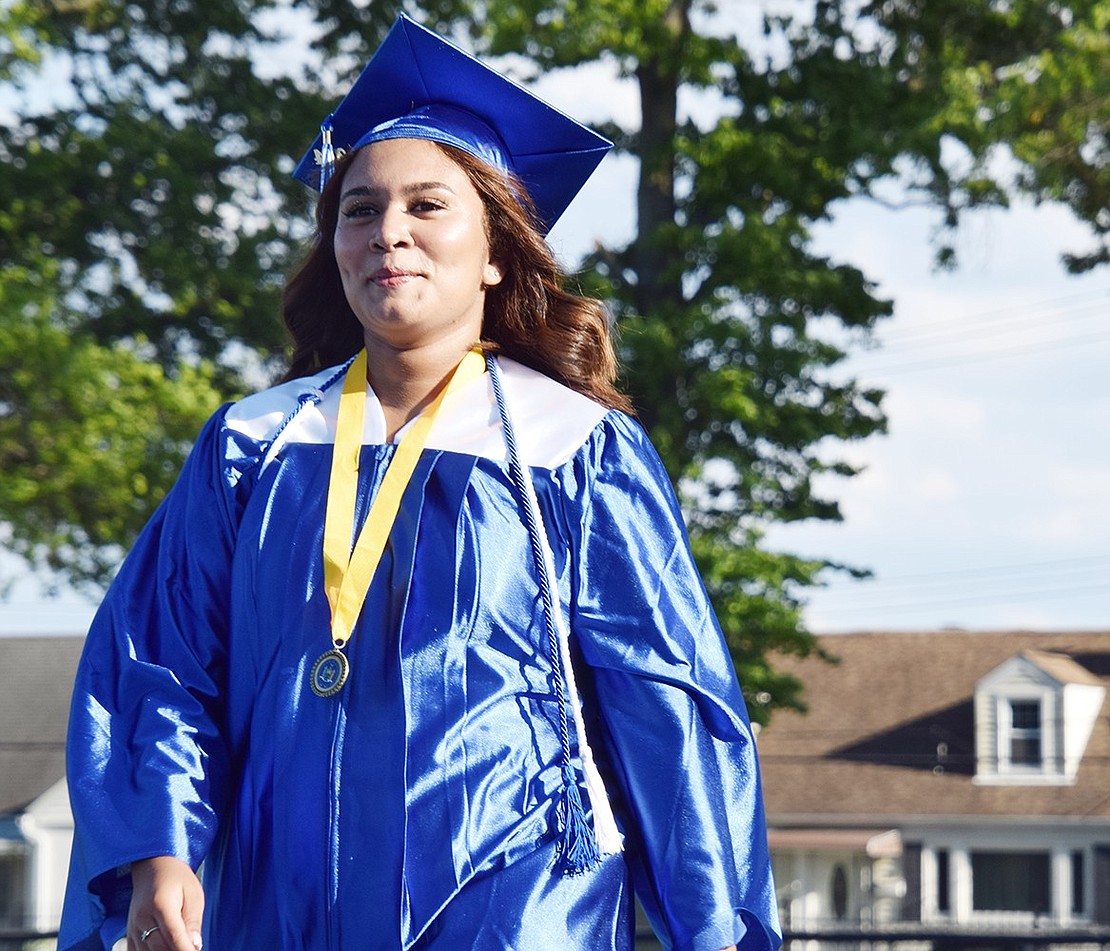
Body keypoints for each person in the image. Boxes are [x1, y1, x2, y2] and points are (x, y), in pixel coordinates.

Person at [59, 14, 781, 951]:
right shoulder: (255, 444)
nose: (388, 231)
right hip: (282, 902)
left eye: (427, 206)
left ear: (494, 253)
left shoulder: (573, 445)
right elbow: (163, 664)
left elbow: (669, 705)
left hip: (512, 899)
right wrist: (162, 843)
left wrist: (715, 928)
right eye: (360, 209)